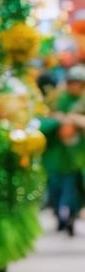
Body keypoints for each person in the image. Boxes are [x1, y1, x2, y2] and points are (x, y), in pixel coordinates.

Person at [43, 64, 85, 235]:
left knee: (74, 189)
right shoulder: (58, 98)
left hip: (78, 156)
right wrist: (59, 119)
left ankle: (70, 215)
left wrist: (75, 120)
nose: (73, 85)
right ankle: (59, 214)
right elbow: (46, 117)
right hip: (57, 154)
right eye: (71, 82)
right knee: (55, 186)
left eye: (77, 82)